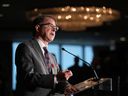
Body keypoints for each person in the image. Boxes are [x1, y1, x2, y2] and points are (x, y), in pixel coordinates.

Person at [15, 15, 78, 96]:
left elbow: (57, 81)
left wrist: (67, 87)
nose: (54, 29)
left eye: (56, 28)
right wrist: (56, 77)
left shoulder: (52, 57)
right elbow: (27, 77)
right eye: (50, 26)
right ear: (38, 28)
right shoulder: (25, 47)